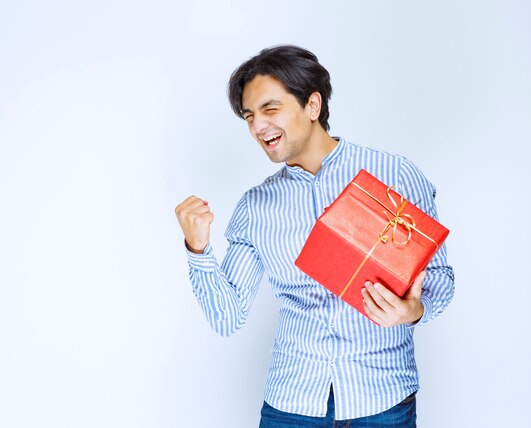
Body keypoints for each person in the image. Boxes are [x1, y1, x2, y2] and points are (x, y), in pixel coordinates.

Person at [175, 45, 454, 427]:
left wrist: (413, 311)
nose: (258, 127)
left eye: (271, 109)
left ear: (312, 105)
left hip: (384, 401)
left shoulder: (396, 175)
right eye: (249, 116)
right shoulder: (256, 206)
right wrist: (198, 248)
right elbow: (227, 318)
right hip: (292, 405)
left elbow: (440, 278)